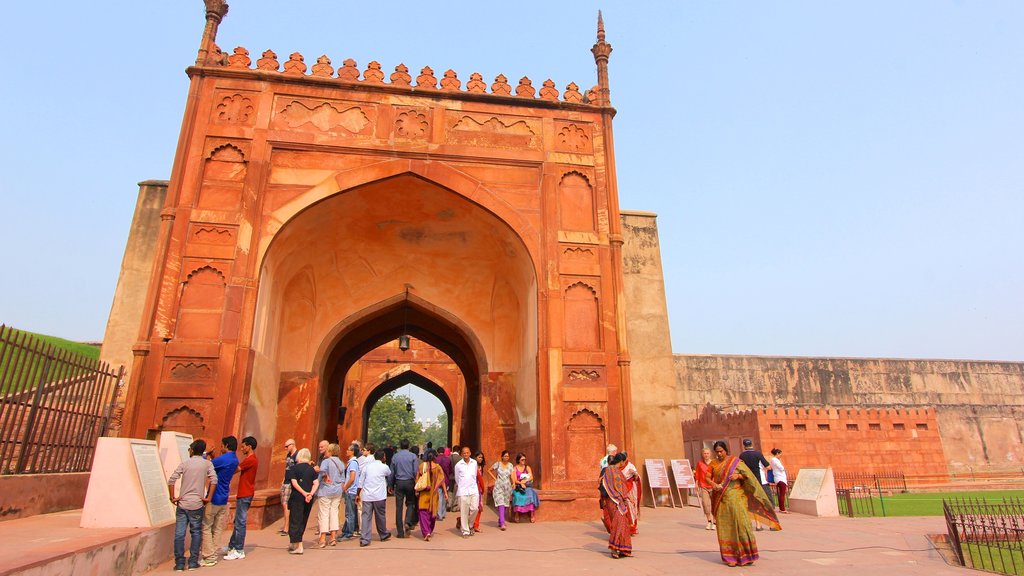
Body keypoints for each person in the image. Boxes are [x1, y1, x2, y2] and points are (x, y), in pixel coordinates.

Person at [708, 440, 780, 567]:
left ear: (726, 451)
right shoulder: (713, 464)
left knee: (742, 525)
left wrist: (738, 477)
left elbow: (748, 476)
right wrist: (713, 484)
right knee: (726, 527)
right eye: (717, 452)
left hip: (737, 498)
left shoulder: (735, 462)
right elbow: (707, 477)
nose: (719, 454)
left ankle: (748, 555)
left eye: (721, 451)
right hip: (722, 499)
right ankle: (731, 558)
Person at [167, 439, 217, 572]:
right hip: (197, 504)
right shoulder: (207, 464)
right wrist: (208, 498)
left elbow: (171, 480)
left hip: (183, 503)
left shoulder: (185, 464)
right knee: (196, 533)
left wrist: (172, 497)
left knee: (179, 534)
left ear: (193, 450)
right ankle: (193, 562)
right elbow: (214, 480)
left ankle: (179, 563)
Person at [200, 436, 239, 566]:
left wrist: (206, 453)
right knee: (217, 528)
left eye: (222, 445)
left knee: (206, 526)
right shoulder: (234, 459)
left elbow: (206, 464)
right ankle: (214, 553)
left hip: (214, 496)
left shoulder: (224, 459)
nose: (221, 448)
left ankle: (209, 556)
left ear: (226, 445)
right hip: (224, 496)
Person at [225, 436, 258, 560]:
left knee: (240, 523)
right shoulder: (250, 459)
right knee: (238, 522)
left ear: (249, 446)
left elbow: (236, 470)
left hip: (245, 494)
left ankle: (239, 549)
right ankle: (232, 547)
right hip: (244, 493)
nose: (242, 448)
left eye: (243, 446)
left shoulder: (250, 460)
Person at [599, 452, 633, 559]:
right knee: (618, 524)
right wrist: (625, 497)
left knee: (622, 524)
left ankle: (623, 549)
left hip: (616, 500)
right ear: (621, 461)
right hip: (615, 500)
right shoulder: (612, 470)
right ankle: (614, 548)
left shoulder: (611, 470)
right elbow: (618, 486)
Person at [287, 448, 319, 554]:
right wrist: (310, 493)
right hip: (308, 498)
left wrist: (304, 493)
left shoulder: (294, 468)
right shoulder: (312, 469)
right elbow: (316, 483)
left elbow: (294, 483)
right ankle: (295, 543)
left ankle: (298, 545)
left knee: (295, 520)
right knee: (303, 519)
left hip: (297, 497)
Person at [358, 449, 392, 546]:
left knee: (366, 517)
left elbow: (361, 482)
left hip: (367, 496)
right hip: (379, 496)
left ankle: (364, 539)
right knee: (380, 516)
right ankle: (383, 534)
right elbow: (389, 474)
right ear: (383, 457)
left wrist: (358, 494)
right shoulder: (384, 467)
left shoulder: (367, 467)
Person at [738, 438, 774, 529]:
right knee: (767, 502)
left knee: (754, 503)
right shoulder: (757, 454)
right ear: (751, 444)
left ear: (744, 446)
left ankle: (758, 525)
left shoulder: (742, 456)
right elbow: (768, 466)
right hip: (761, 481)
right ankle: (771, 524)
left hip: (749, 481)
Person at [315, 443, 344, 547]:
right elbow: (342, 479)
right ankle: (333, 537)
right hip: (337, 491)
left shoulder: (326, 461)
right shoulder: (341, 463)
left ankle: (322, 538)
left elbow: (322, 473)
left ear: (330, 451)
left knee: (324, 513)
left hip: (326, 490)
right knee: (334, 513)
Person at [389, 438, 419, 538]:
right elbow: (415, 472)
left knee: (399, 507)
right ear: (408, 446)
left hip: (399, 482)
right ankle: (408, 521)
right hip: (410, 482)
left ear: (400, 446)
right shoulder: (413, 456)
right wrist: (417, 483)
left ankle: (400, 532)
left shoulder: (395, 456)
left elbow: (392, 472)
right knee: (411, 503)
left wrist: (390, 485)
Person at [415, 449, 448, 541]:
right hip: (434, 494)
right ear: (435, 457)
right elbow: (442, 481)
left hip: (424, 493)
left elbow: (417, 478)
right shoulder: (438, 467)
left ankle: (426, 532)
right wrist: (445, 493)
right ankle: (429, 530)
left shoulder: (422, 466)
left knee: (423, 513)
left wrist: (417, 490)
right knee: (432, 514)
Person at [453, 446, 479, 537]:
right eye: (464, 453)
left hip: (473, 489)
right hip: (463, 490)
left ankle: (470, 525)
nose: (466, 454)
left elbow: (475, 475)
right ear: (461, 454)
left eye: (467, 453)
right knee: (464, 512)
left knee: (475, 508)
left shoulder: (474, 463)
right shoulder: (458, 465)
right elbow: (457, 479)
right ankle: (465, 531)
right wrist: (462, 485)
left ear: (470, 453)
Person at [488, 450, 514, 531]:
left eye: (508, 456)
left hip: (507, 487)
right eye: (505, 456)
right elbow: (489, 470)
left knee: (505, 504)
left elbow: (512, 475)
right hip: (498, 486)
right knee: (500, 503)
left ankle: (500, 520)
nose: (506, 457)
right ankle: (502, 523)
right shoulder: (498, 464)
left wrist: (513, 483)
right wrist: (495, 478)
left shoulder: (510, 465)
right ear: (502, 456)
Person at [340, 443, 361, 540]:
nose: (347, 451)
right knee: (349, 512)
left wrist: (345, 487)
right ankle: (346, 531)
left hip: (350, 490)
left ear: (353, 452)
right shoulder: (353, 462)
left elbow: (352, 478)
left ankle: (348, 533)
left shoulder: (353, 463)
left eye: (349, 449)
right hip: (351, 490)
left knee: (350, 513)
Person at [511, 453, 538, 523]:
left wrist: (525, 480)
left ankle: (532, 514)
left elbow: (531, 477)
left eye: (524, 459)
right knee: (517, 495)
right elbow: (515, 480)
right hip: (519, 486)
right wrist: (521, 483)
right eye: (522, 459)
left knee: (530, 495)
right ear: (518, 460)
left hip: (527, 486)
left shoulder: (527, 467)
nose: (524, 461)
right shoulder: (514, 468)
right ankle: (517, 514)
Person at [694, 448, 716, 530]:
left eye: (707, 453)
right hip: (703, 486)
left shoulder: (714, 463)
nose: (706, 455)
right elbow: (698, 474)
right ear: (702, 454)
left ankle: (715, 522)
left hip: (713, 486)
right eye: (704, 453)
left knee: (714, 504)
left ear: (710, 454)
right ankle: (709, 521)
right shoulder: (700, 463)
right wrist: (696, 483)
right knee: (706, 504)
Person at [279, 438, 297, 536]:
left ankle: (286, 527)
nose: (286, 448)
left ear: (292, 445)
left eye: (287, 446)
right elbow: (286, 468)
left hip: (291, 482)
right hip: (286, 481)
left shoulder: (297, 455)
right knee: (284, 504)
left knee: (286, 504)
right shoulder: (288, 455)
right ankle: (286, 525)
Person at [621, 453, 640, 535]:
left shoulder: (630, 466)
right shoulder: (618, 466)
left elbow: (637, 477)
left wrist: (635, 474)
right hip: (622, 489)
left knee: (632, 508)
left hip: (631, 489)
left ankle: (632, 528)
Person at [770, 448, 789, 513]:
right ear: (777, 453)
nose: (781, 455)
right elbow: (781, 468)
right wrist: (784, 469)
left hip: (777, 478)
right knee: (782, 494)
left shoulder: (773, 460)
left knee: (781, 494)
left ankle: (781, 508)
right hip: (781, 478)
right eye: (780, 454)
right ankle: (782, 509)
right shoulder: (775, 460)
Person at [472, 451, 486, 533]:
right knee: (472, 508)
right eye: (479, 457)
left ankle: (476, 525)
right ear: (475, 457)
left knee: (479, 508)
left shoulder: (481, 467)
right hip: (472, 488)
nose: (480, 459)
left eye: (481, 457)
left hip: (479, 489)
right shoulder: (472, 466)